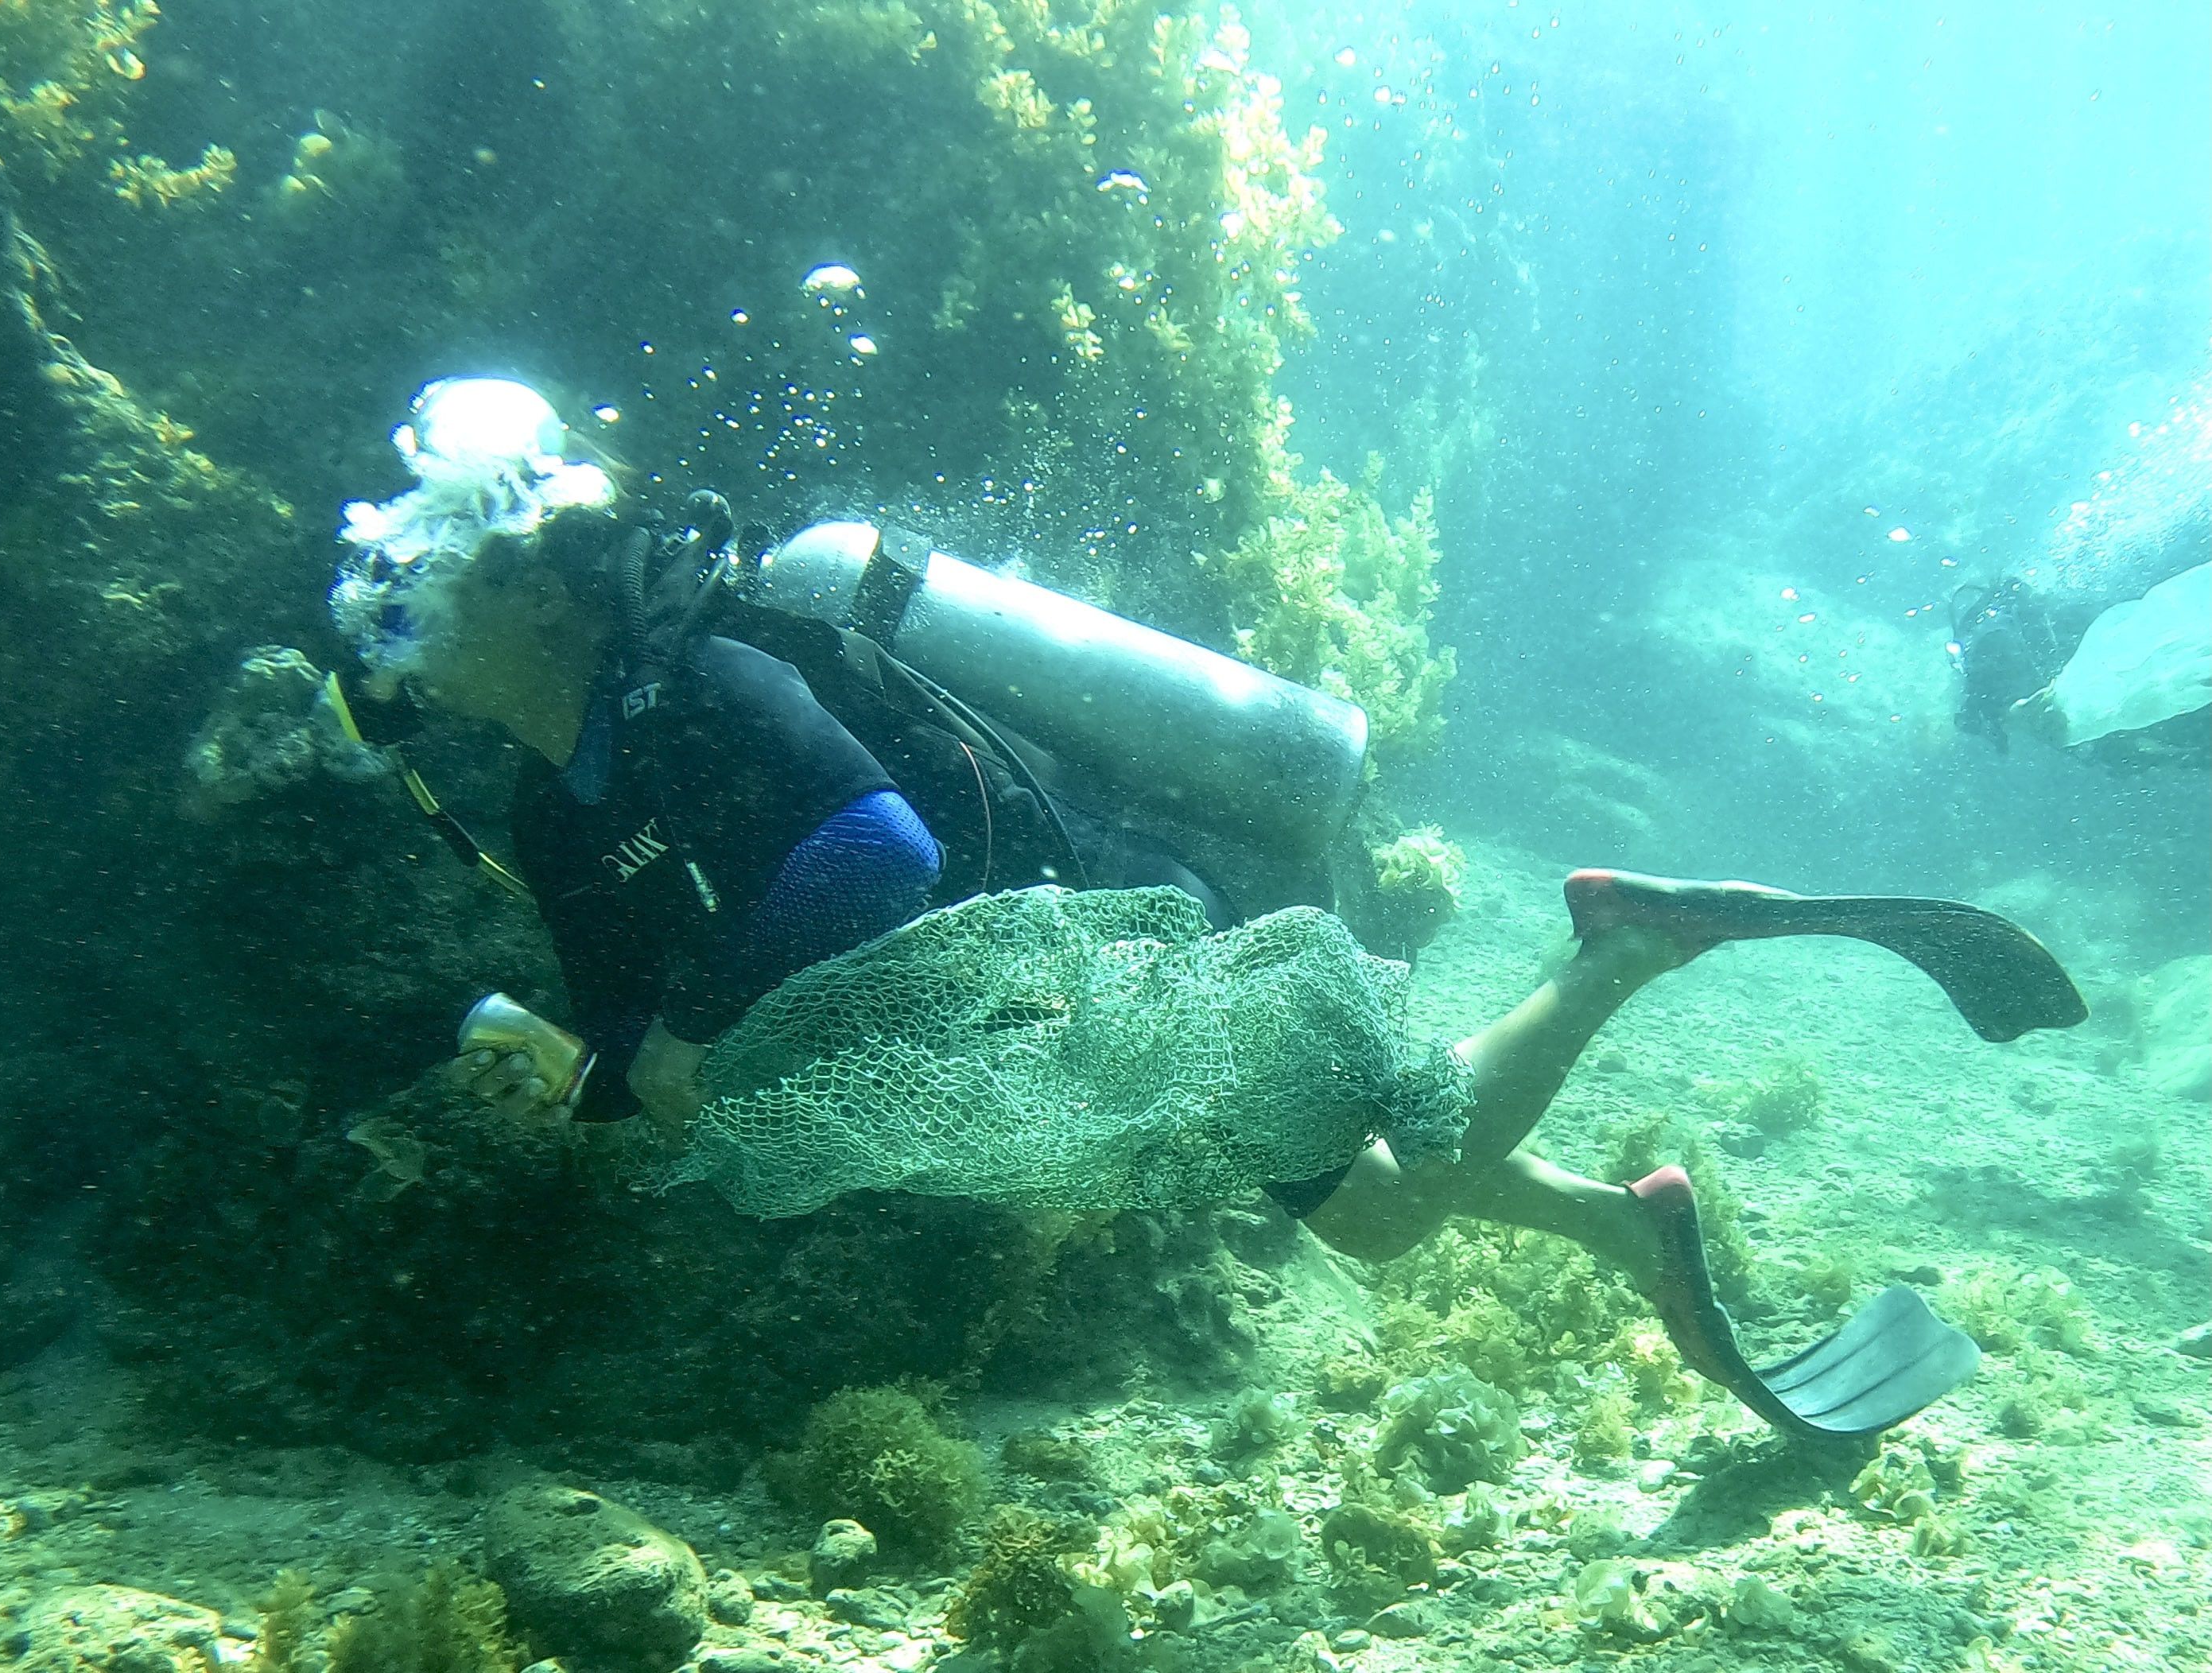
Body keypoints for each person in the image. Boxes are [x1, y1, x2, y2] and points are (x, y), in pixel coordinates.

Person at [327, 378, 2086, 1440]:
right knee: (1377, 1182)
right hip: (1036, 1025)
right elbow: (625, 1014)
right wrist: (582, 1068)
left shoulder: (702, 677)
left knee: (1384, 1211)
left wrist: (696, 1028)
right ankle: (1634, 1231)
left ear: (523, 578)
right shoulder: (555, 806)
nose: (385, 616)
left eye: (416, 575)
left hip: (1112, 937)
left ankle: (1619, 944)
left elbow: (878, 849)